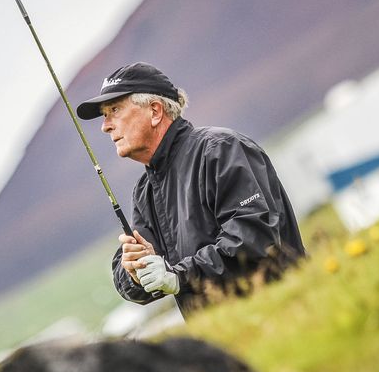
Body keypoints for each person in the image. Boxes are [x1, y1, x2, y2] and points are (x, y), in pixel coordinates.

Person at [77, 62, 306, 315]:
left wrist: (178, 276)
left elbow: (254, 238)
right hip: (224, 340)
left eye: (115, 110)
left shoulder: (221, 150)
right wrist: (134, 272)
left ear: (155, 111)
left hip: (285, 316)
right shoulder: (145, 192)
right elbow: (140, 279)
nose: (105, 125)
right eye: (105, 114)